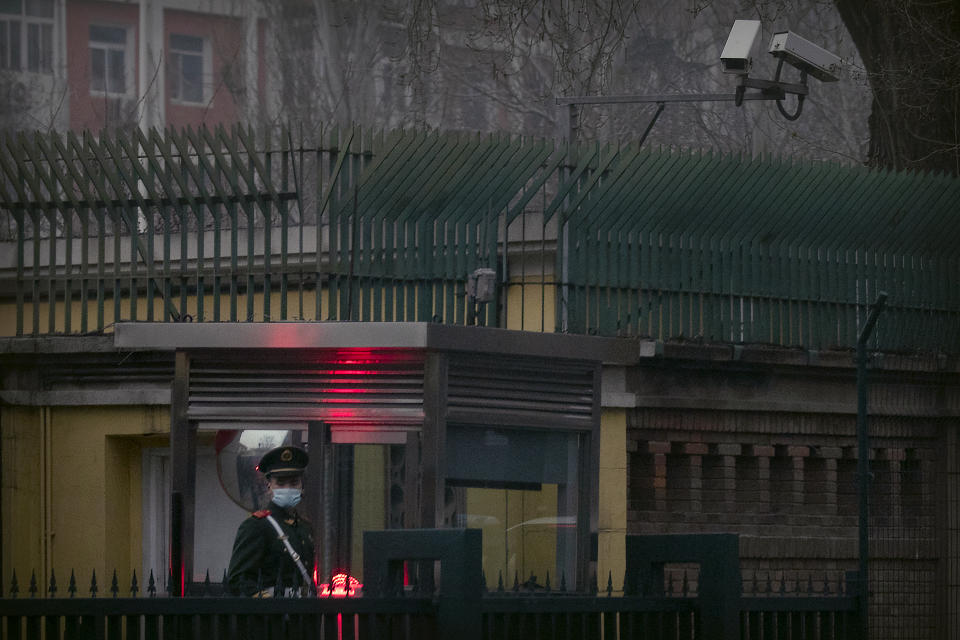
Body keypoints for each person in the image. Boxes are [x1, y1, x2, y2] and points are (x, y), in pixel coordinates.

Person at [227, 445, 316, 596]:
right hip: (272, 615)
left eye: (294, 483)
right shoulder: (256, 526)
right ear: (269, 486)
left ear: (302, 486)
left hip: (302, 614)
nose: (288, 488)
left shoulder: (304, 527)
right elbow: (238, 580)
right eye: (280, 483)